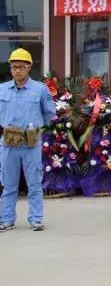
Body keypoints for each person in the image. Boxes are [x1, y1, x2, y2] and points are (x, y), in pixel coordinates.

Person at [0, 48, 55, 232]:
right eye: (13, 67)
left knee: (34, 183)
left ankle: (36, 219)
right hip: (8, 143)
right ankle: (6, 219)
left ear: (29, 67)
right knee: (8, 184)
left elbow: (49, 113)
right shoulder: (2, 90)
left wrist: (37, 128)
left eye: (21, 67)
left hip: (31, 143)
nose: (17, 70)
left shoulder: (40, 89)